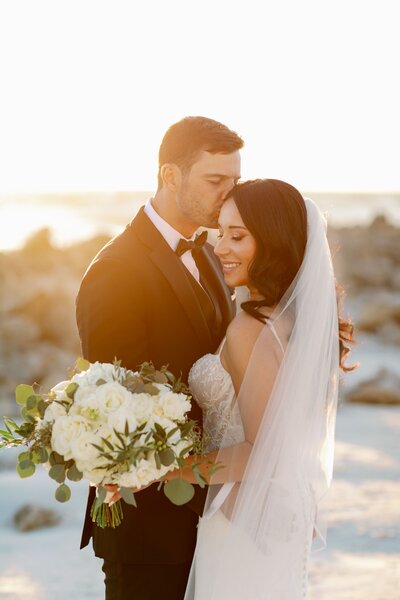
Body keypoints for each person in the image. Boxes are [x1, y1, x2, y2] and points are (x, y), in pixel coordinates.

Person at [75, 116, 243, 599]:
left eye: (234, 182)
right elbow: (119, 407)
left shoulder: (211, 251)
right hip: (148, 524)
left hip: (212, 511)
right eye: (216, 181)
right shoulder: (115, 271)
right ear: (171, 176)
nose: (228, 194)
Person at [163, 178, 355, 599]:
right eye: (221, 233)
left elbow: (257, 451)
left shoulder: (252, 329)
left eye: (239, 236)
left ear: (272, 243)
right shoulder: (291, 322)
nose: (220, 248)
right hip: (271, 517)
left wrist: (167, 469)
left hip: (242, 523)